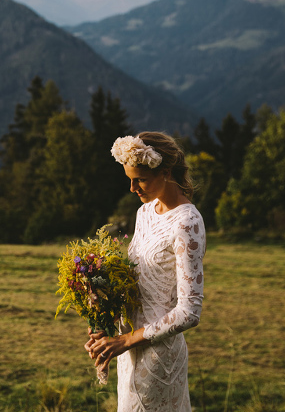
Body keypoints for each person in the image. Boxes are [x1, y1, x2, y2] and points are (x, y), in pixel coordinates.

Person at [85, 132, 206, 411]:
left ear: (166, 172)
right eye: (129, 179)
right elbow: (135, 281)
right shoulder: (145, 213)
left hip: (158, 355)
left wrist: (127, 340)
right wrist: (102, 322)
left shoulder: (187, 223)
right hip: (126, 347)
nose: (132, 188)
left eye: (140, 179)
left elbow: (190, 311)